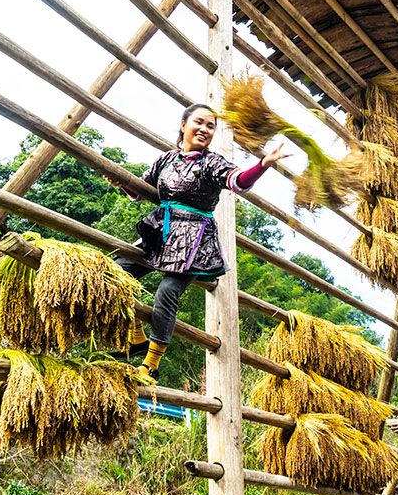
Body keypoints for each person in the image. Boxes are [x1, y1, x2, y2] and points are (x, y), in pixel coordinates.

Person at [117, 103, 287, 376]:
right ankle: (136, 335)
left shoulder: (212, 162)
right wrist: (119, 180)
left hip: (195, 239)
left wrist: (262, 165)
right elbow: (140, 190)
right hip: (161, 230)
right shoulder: (165, 160)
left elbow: (238, 181)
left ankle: (150, 365)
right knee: (118, 272)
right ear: (183, 124)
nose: (204, 129)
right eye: (199, 122)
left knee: (167, 291)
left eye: (210, 126)